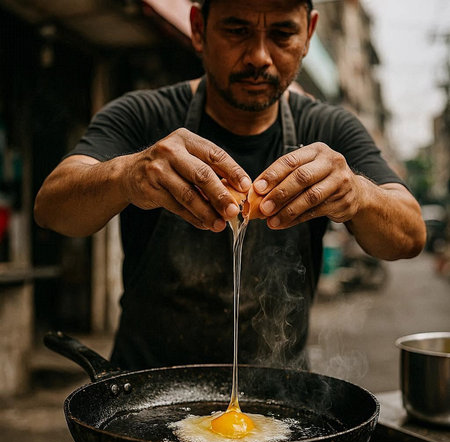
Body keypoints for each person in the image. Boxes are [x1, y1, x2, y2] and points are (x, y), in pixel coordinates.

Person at [34, 0, 426, 370]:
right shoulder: (142, 114)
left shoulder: (328, 128)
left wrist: (357, 194)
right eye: (237, 30)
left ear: (309, 33)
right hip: (144, 393)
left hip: (278, 397)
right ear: (199, 30)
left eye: (281, 34)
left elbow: (410, 235)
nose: (259, 57)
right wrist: (127, 175)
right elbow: (51, 208)